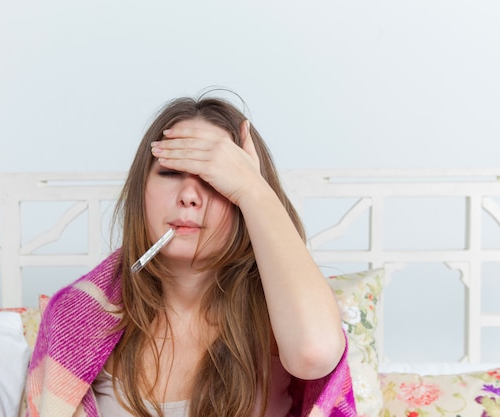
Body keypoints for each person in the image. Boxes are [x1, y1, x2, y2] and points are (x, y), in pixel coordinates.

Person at [25, 93, 357, 417]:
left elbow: (315, 354)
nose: (188, 196)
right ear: (141, 190)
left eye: (214, 179)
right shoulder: (78, 316)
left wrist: (255, 191)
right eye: (169, 172)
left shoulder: (277, 313)